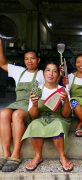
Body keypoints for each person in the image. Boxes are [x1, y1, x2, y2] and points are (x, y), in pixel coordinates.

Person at [0, 39, 44, 172]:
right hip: (18, 103)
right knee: (3, 113)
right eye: (26, 59)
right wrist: (0, 45)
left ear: (38, 60)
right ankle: (6, 153)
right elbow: (2, 63)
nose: (29, 61)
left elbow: (54, 84)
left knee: (17, 114)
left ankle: (16, 154)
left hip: (32, 105)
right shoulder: (19, 71)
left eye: (32, 58)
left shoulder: (43, 74)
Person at [22, 61, 73, 172]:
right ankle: (37, 156)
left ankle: (62, 156)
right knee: (34, 124)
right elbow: (33, 115)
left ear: (58, 74)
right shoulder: (37, 90)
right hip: (41, 118)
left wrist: (66, 100)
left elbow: (66, 114)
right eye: (48, 70)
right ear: (43, 73)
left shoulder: (62, 90)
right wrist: (35, 104)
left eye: (54, 71)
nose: (51, 73)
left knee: (58, 124)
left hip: (59, 118)